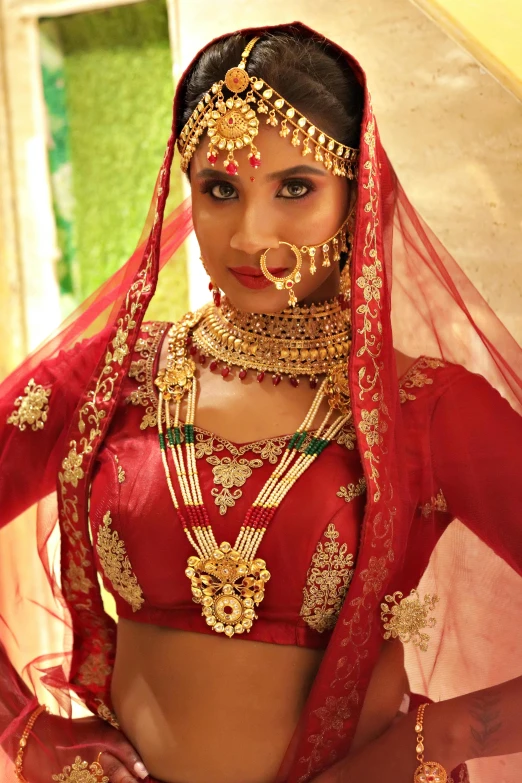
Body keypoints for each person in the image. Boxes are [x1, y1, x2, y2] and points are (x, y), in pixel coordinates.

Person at [1, 21, 521, 783]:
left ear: (356, 194)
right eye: (220, 190)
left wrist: (439, 734)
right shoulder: (111, 380)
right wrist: (32, 737)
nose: (250, 235)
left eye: (296, 188)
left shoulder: (426, 409)